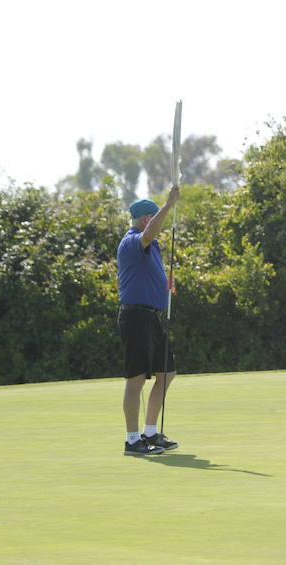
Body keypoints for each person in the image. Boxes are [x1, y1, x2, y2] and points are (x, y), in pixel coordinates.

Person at [117, 187, 181, 456]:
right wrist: (168, 205)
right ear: (145, 219)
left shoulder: (151, 246)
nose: (160, 223)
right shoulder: (132, 240)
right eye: (155, 217)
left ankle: (150, 432)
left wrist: (164, 282)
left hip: (151, 317)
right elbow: (148, 234)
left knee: (167, 373)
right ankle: (132, 441)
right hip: (135, 316)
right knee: (136, 380)